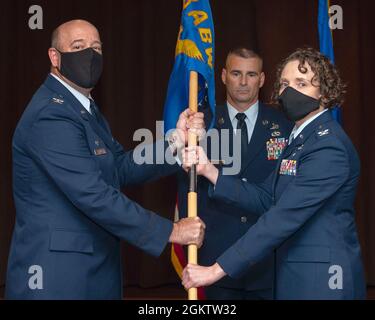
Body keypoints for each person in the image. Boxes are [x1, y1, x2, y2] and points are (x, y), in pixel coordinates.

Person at [5, 19, 206, 300]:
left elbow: (118, 167)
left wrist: (175, 141)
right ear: (54, 57)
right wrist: (171, 231)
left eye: (96, 47)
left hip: (94, 266)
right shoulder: (51, 115)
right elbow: (94, 194)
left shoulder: (84, 109)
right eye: (78, 46)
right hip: (58, 276)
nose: (90, 54)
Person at [182, 47, 366, 299]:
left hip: (321, 280)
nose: (290, 91)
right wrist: (210, 171)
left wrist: (216, 269)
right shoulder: (300, 139)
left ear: (324, 91)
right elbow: (266, 198)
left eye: (301, 83)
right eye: (285, 84)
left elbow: (282, 216)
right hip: (293, 274)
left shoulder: (327, 145)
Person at [177, 48, 292, 300]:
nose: (243, 82)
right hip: (216, 255)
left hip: (267, 257)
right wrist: (192, 240)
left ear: (261, 79)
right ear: (223, 75)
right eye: (236, 73)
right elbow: (187, 188)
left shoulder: (285, 125)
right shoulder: (200, 124)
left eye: (251, 75)